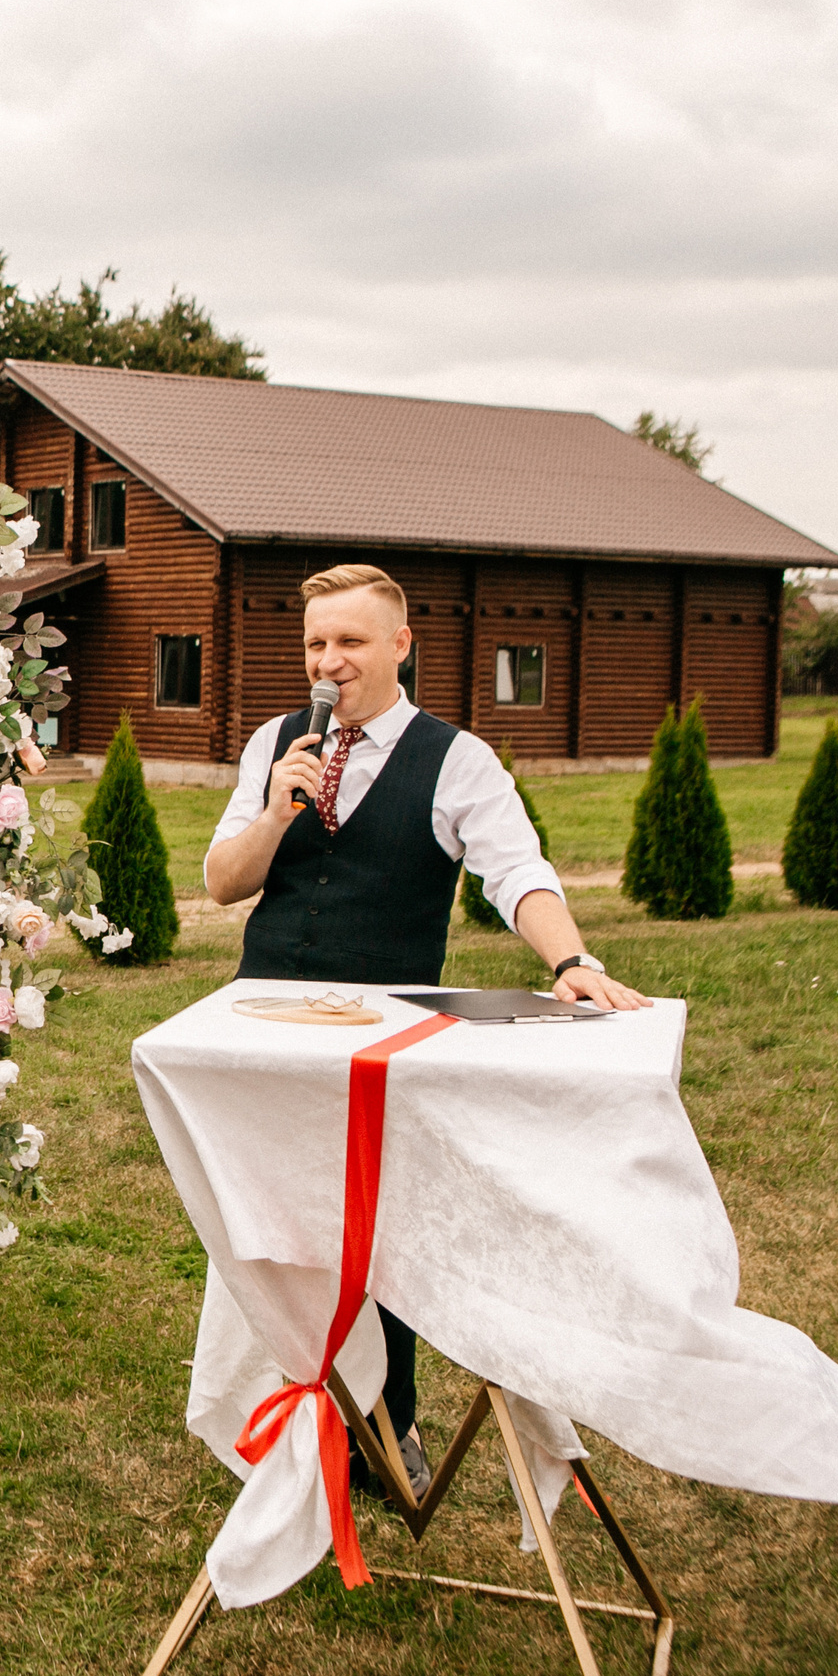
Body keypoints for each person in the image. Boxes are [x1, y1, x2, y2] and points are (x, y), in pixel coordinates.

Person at [204, 562, 650, 1496]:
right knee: (265, 1220)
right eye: (317, 644)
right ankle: (282, 1410)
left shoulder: (455, 758)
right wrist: (282, 810)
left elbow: (515, 871)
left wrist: (571, 963)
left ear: (401, 645)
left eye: (351, 642)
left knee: (375, 1228)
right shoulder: (274, 744)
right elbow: (222, 881)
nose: (330, 662)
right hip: (266, 1025)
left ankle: (386, 1419)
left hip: (381, 1037)